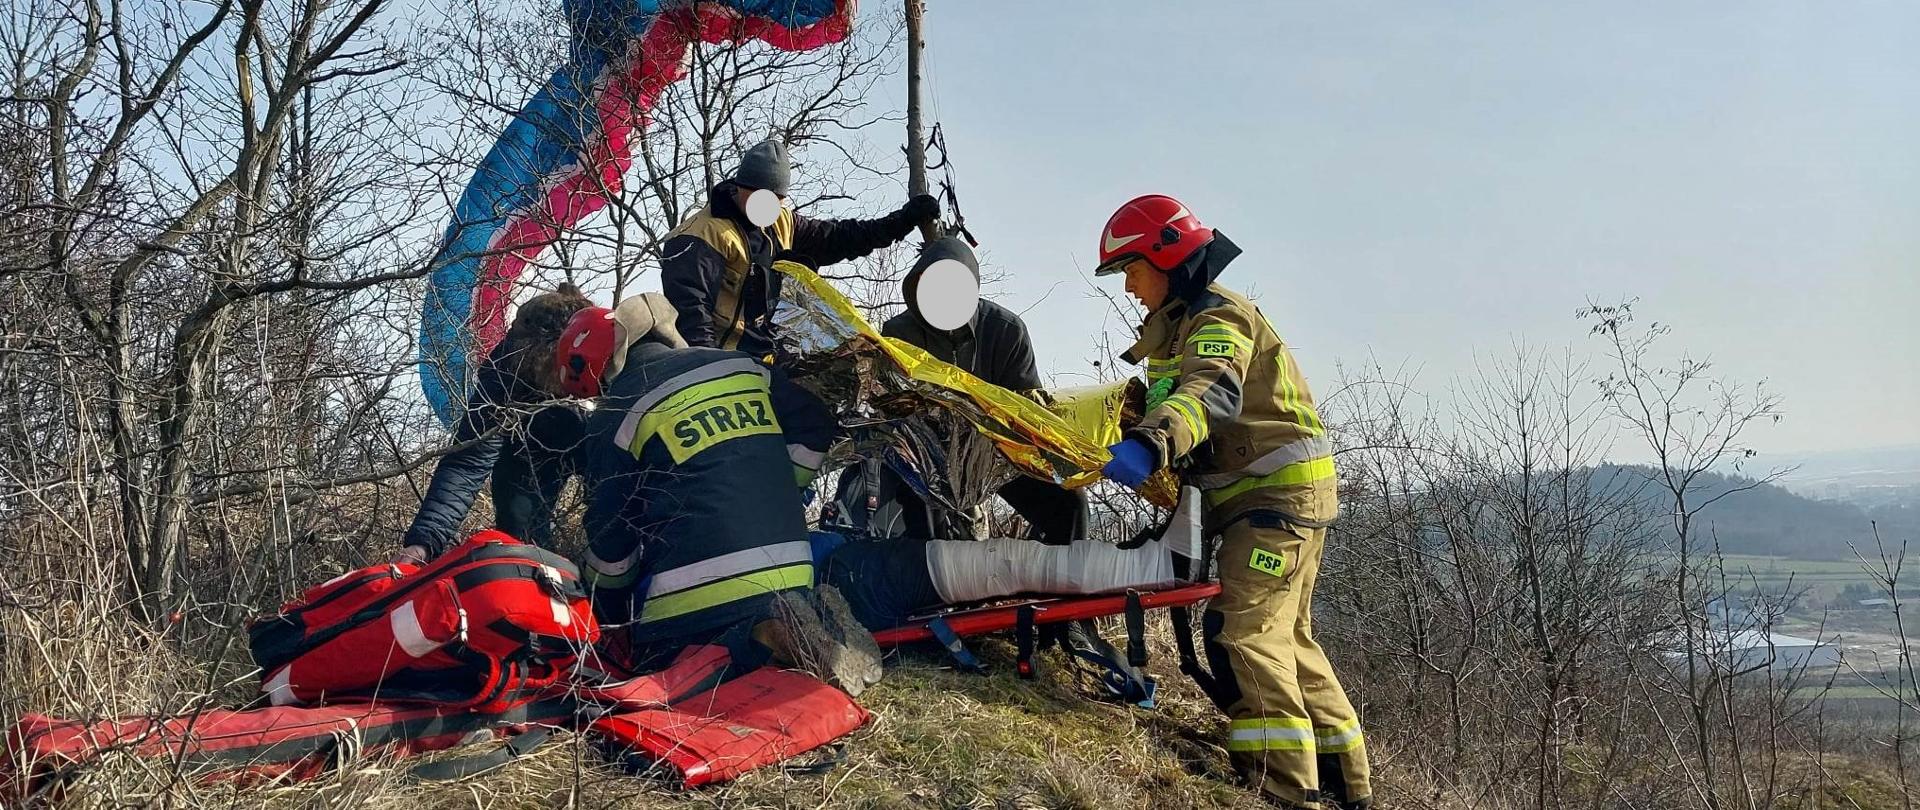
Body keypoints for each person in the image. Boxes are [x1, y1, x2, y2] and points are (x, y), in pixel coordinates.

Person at [1093, 195, 1370, 810]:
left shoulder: (1218, 317)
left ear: (1167, 257)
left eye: (1131, 269)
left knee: (1244, 633)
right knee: (1288, 638)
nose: (1129, 287)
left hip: (1271, 499)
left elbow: (1210, 392)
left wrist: (1150, 444)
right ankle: (1345, 786)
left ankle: (1283, 790)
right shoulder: (1179, 327)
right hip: (1274, 500)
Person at [558, 294, 845, 675]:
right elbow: (817, 424)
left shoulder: (616, 412)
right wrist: (783, 490)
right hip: (794, 571)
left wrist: (605, 612)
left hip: (695, 595)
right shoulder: (742, 366)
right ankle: (785, 630)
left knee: (659, 664)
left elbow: (611, 544)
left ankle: (759, 640)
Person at [829, 236, 1089, 543]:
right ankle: (929, 568)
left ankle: (1065, 566)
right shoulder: (898, 332)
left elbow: (1029, 411)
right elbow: (892, 411)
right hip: (927, 453)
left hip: (998, 454)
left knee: (1069, 501)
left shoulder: (1007, 330)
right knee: (922, 503)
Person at [660, 138, 941, 357]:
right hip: (722, 358)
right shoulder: (701, 234)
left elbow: (841, 237)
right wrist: (710, 371)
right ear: (739, 186)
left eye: (775, 199)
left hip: (769, 355)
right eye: (757, 196)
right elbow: (691, 314)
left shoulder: (781, 221)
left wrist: (903, 220)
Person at [397, 285, 595, 563]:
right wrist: (423, 543)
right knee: (522, 528)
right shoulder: (505, 375)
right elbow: (466, 465)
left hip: (608, 438)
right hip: (534, 452)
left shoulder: (609, 363)